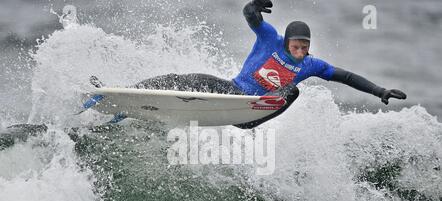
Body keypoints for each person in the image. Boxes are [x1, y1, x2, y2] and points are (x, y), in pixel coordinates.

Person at [126, 0, 407, 128]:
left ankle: (255, 110)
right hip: (233, 92)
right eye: (296, 46)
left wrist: (379, 90)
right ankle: (131, 91)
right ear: (287, 42)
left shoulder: (311, 65)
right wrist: (252, 6)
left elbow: (345, 76)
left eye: (305, 47)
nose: (300, 52)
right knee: (186, 78)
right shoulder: (270, 39)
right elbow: (250, 15)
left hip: (253, 112)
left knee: (294, 91)